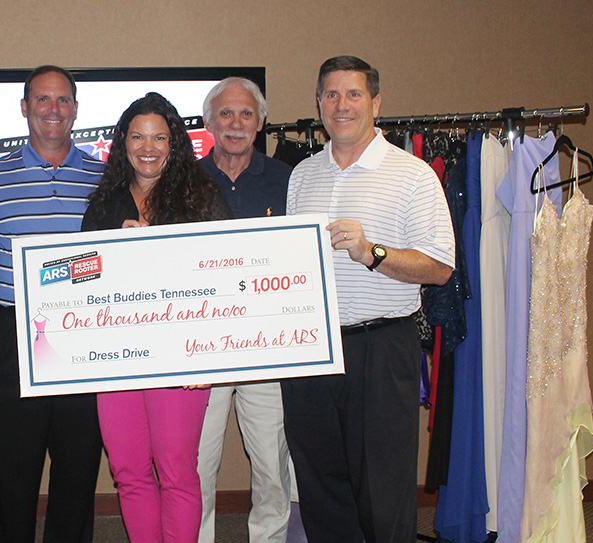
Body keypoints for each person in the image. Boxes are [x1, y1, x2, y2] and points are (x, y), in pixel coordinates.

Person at [280, 56, 455, 543]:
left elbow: (440, 267)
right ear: (318, 104)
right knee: (320, 486)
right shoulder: (303, 176)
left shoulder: (413, 174)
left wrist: (372, 252)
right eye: (331, 95)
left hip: (381, 349)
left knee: (382, 491)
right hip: (312, 352)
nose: (341, 105)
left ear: (375, 103)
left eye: (353, 94)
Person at [81, 92, 232, 542]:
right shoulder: (104, 205)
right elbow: (77, 281)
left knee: (177, 471)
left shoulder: (202, 200)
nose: (148, 147)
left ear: (175, 144)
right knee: (128, 472)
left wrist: (211, 357)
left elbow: (228, 278)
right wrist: (111, 249)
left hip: (180, 357)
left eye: (159, 137)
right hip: (115, 359)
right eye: (138, 137)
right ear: (122, 143)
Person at [0, 65, 104, 543]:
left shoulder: (105, 178)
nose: (54, 110)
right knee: (13, 470)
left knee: (78, 466)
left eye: (63, 100)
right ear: (25, 109)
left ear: (75, 109)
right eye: (43, 100)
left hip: (85, 336)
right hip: (13, 337)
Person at [195, 77, 301, 543]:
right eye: (225, 114)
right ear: (208, 122)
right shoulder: (185, 181)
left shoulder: (289, 180)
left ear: (260, 122)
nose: (235, 124)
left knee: (273, 468)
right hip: (202, 349)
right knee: (196, 465)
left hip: (267, 349)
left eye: (245, 115)